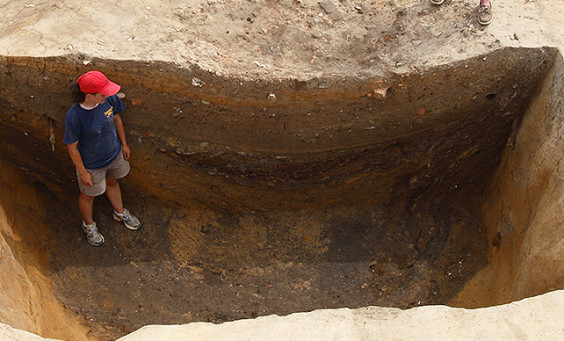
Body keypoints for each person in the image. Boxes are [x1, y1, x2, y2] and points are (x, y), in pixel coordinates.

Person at [63, 71, 141, 246]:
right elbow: (72, 147)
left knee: (113, 183)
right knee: (88, 195)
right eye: (103, 93)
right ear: (90, 95)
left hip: (114, 155)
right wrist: (83, 173)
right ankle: (89, 225)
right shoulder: (75, 117)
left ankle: (119, 212)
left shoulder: (108, 100)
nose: (107, 94)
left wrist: (124, 144)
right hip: (92, 164)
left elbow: (117, 119)